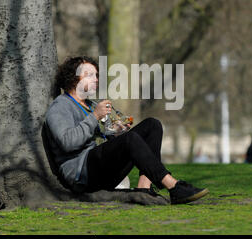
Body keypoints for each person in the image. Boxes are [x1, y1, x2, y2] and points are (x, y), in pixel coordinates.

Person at [45, 56, 209, 204]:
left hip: (100, 167)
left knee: (152, 125)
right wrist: (95, 116)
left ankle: (144, 189)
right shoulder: (60, 106)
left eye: (96, 75)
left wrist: (115, 133)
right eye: (89, 75)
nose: (95, 79)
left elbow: (101, 140)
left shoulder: (90, 105)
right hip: (81, 174)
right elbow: (67, 142)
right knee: (130, 139)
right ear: (73, 78)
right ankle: (173, 186)